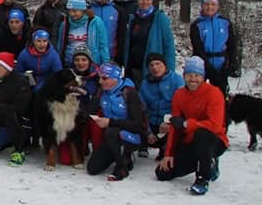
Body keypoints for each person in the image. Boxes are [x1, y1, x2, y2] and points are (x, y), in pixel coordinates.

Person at [156, 56, 228, 195]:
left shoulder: (214, 93)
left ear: (203, 77)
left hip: (214, 140)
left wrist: (187, 123)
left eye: (197, 75)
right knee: (162, 173)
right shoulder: (179, 95)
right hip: (191, 140)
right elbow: (175, 125)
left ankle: (203, 178)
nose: (193, 79)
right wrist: (169, 153)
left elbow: (215, 125)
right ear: (184, 76)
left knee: (202, 134)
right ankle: (207, 163)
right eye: (189, 75)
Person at [84, 62, 147, 181]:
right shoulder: (101, 91)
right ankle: (119, 155)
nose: (100, 82)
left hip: (132, 135)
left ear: (115, 78)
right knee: (92, 168)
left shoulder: (129, 93)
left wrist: (110, 122)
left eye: (105, 78)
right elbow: (89, 110)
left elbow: (137, 125)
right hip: (112, 136)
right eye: (100, 78)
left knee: (111, 132)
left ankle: (122, 166)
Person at [189, 0, 240, 98]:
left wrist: (233, 63)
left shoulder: (225, 23)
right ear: (202, 6)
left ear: (217, 6)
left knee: (220, 96)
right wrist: (208, 67)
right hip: (202, 65)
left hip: (221, 64)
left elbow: (231, 45)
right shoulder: (197, 25)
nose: (209, 7)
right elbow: (197, 48)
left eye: (213, 4)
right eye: (207, 4)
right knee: (198, 95)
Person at [123, 0, 175, 87]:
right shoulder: (133, 19)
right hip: (133, 68)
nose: (144, 2)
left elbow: (169, 46)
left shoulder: (160, 18)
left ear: (152, 0)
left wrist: (169, 72)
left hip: (153, 69)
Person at [139, 53, 184, 160]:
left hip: (169, 122)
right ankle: (142, 146)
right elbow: (141, 108)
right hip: (152, 122)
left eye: (158, 64)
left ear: (165, 65)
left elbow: (182, 107)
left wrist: (169, 122)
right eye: (151, 65)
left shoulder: (176, 80)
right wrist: (148, 131)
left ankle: (166, 149)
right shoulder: (145, 83)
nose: (155, 68)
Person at [55, 0, 109, 67]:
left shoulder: (95, 22)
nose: (72, 14)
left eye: (75, 11)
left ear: (83, 10)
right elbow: (60, 46)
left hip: (91, 65)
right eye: (69, 11)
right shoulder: (65, 24)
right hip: (70, 65)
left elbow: (103, 46)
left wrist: (105, 64)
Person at [89, 0, 126, 65]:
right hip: (92, 56)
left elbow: (121, 36)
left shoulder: (117, 10)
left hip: (111, 55)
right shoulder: (89, 10)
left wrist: (119, 55)